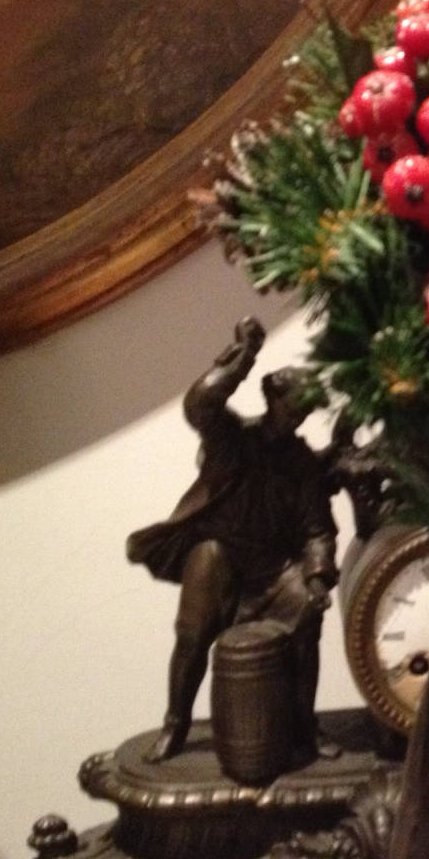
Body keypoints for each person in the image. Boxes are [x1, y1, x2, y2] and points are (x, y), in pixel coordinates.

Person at [126, 317, 338, 765]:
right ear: (273, 399)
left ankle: (305, 727)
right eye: (292, 408)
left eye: (304, 413)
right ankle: (175, 725)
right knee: (192, 637)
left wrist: (318, 578)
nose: (297, 418)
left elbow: (317, 530)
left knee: (308, 617)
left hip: (273, 568)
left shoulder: (301, 463)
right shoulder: (233, 440)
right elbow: (200, 404)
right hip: (220, 553)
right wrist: (242, 357)